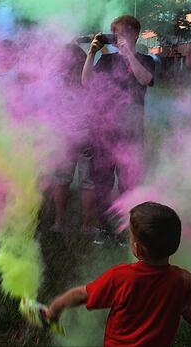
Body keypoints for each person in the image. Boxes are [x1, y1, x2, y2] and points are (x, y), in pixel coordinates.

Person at [45, 202, 191, 346]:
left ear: (137, 248)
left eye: (130, 235)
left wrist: (54, 310)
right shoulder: (184, 280)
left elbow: (81, 294)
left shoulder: (122, 277)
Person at [81, 15, 157, 239]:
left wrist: (129, 54)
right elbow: (86, 82)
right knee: (102, 183)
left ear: (135, 34)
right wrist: (92, 53)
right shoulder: (106, 60)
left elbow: (144, 80)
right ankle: (104, 228)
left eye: (122, 32)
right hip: (105, 132)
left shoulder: (146, 59)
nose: (118, 38)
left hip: (131, 133)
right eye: (115, 33)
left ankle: (126, 228)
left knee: (129, 183)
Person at [51, 42, 98, 235]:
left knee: (62, 179)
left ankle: (58, 222)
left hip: (65, 135)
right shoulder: (89, 78)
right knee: (87, 182)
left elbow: (50, 109)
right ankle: (87, 226)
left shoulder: (57, 80)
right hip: (86, 134)